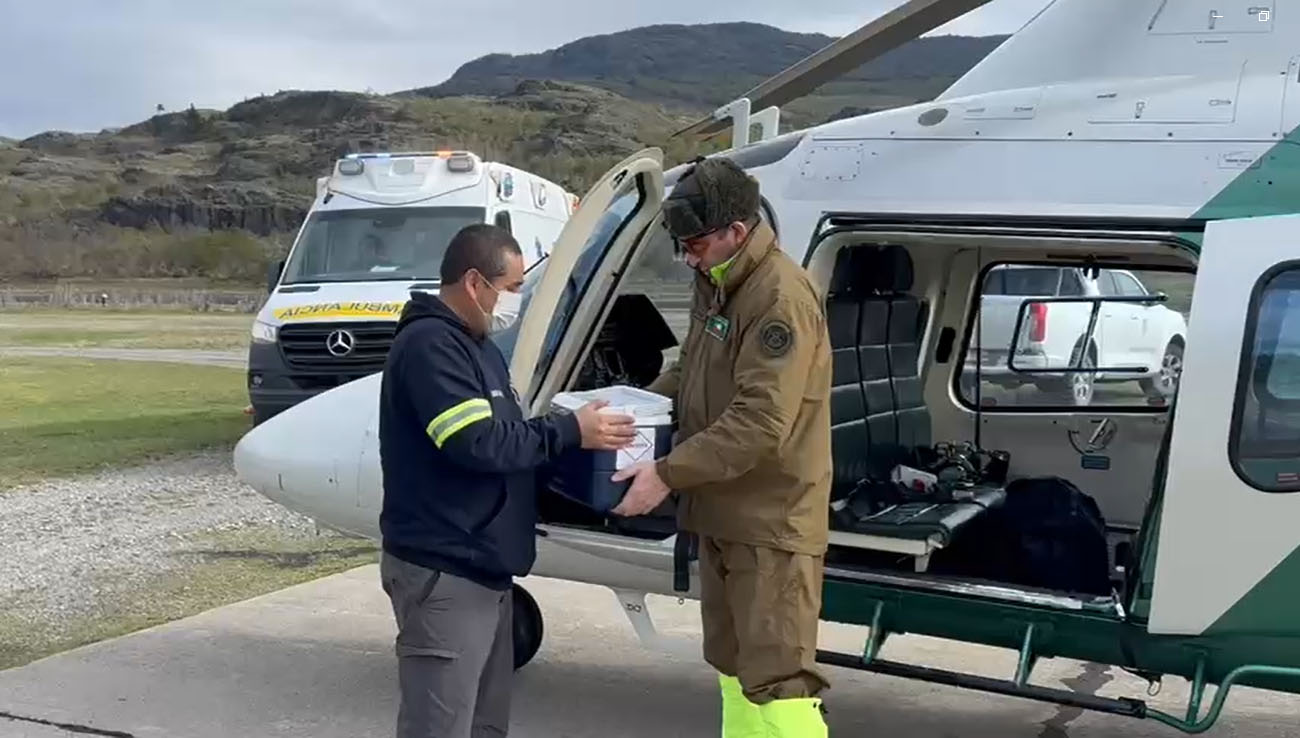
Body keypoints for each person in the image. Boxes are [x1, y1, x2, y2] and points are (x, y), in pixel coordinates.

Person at [378, 223, 638, 738]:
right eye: (514, 288)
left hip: (485, 570)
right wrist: (569, 431)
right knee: (439, 726)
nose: (515, 300)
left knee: (485, 723)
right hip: (445, 571)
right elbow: (476, 442)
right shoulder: (432, 346)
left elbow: (509, 435)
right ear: (476, 282)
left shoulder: (478, 347)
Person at [611, 157, 834, 738]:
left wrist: (666, 471)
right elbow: (693, 370)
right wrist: (635, 410)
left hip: (770, 522)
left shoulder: (779, 296)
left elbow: (762, 420)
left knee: (780, 680)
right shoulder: (718, 282)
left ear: (737, 231)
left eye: (695, 244)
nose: (689, 257)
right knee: (733, 668)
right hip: (723, 514)